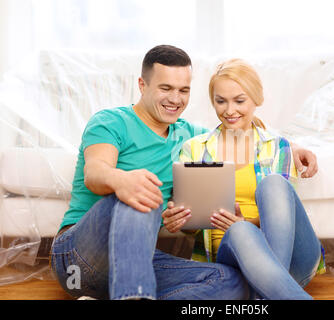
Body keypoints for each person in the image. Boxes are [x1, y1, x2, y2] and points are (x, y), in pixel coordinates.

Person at [50, 45, 318, 300]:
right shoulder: (111, 121)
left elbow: (237, 129)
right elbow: (95, 172)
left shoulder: (191, 138)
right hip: (80, 257)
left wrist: (292, 146)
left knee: (231, 282)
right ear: (142, 85)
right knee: (142, 193)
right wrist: (124, 181)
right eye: (165, 88)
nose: (175, 99)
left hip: (135, 260)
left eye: (183, 90)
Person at [163, 58, 325, 300]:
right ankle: (271, 294)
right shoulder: (194, 149)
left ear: (256, 100)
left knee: (273, 185)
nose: (230, 110)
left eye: (239, 101)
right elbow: (191, 227)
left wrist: (246, 221)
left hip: (292, 262)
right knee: (239, 233)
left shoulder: (278, 147)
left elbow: (282, 219)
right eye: (221, 101)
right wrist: (181, 221)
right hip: (231, 262)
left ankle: (267, 289)